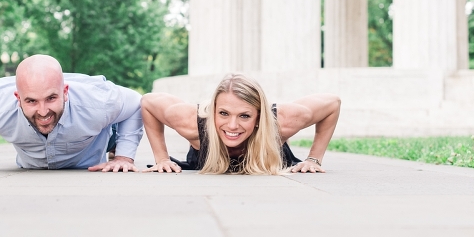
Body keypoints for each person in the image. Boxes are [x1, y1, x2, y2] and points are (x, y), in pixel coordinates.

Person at [0, 54, 143, 172]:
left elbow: (135, 103)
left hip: (95, 135)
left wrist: (124, 158)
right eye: (31, 101)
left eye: (51, 98)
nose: (43, 112)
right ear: (18, 98)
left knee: (109, 123)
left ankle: (112, 143)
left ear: (65, 92)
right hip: (37, 159)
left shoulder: (98, 100)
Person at [141, 73, 341, 175]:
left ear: (259, 117)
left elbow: (332, 103)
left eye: (244, 116)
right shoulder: (191, 123)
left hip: (268, 154)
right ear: (213, 111)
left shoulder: (283, 121)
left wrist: (314, 159)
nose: (232, 126)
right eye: (223, 113)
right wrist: (161, 159)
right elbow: (149, 101)